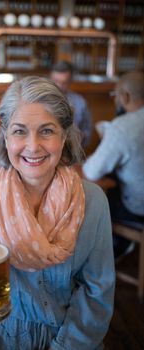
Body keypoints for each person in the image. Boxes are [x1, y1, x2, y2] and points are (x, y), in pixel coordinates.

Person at [0, 76, 115, 350]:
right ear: (4, 135)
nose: (33, 145)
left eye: (47, 131)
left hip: (72, 339)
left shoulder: (93, 200)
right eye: (19, 131)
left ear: (64, 136)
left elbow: (97, 293)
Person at [83, 71, 144, 259]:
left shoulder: (122, 127)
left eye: (115, 95)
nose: (115, 100)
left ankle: (112, 250)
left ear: (125, 96)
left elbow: (91, 171)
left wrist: (107, 141)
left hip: (138, 209)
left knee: (93, 199)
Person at [50, 60, 92, 147]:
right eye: (56, 81)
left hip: (72, 150)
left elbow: (87, 129)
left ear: (70, 82)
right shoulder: (39, 100)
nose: (59, 86)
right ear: (50, 79)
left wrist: (81, 136)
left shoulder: (80, 102)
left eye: (64, 82)